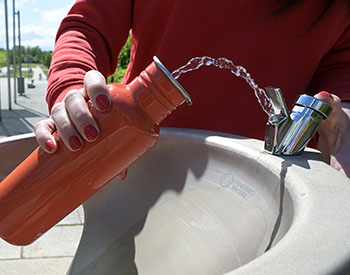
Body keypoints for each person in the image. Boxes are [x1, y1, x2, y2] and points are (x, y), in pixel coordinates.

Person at [34, 0, 350, 176]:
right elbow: (89, 26)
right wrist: (72, 86)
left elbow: (341, 72)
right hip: (131, 167)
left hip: (262, 184)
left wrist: (342, 125)